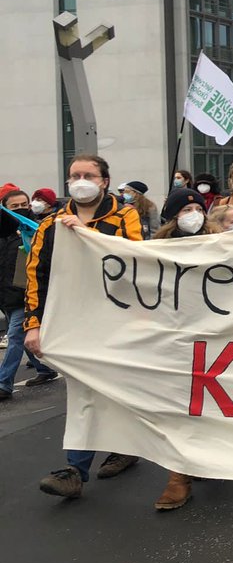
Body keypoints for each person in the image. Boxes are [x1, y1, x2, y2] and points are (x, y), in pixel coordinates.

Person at [26, 155, 144, 498]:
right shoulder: (50, 225)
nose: (81, 180)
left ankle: (125, 446)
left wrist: (89, 236)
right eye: (74, 175)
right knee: (82, 392)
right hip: (72, 322)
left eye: (88, 175)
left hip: (115, 320)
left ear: (104, 180)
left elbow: (137, 259)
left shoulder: (125, 216)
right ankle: (75, 470)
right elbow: (37, 276)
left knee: (117, 388)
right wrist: (33, 325)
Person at [150, 186, 219, 511]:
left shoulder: (222, 243)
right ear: (172, 217)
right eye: (184, 211)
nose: (192, 216)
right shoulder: (156, 250)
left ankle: (210, 459)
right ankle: (178, 477)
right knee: (180, 405)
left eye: (197, 210)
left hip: (216, 335)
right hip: (175, 336)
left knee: (213, 403)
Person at [0, 190, 59, 400]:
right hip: (5, 296)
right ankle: (44, 368)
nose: (21, 209)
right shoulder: (4, 233)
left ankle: (3, 383)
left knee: (16, 336)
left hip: (25, 296)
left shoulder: (36, 231)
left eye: (24, 204)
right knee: (24, 338)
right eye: (14, 207)